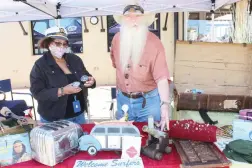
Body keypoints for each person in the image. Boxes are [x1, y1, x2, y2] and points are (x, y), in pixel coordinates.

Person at [110, 4, 171, 131]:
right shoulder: (116, 39)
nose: (133, 20)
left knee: (151, 139)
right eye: (128, 16)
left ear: (143, 19)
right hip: (123, 101)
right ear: (122, 19)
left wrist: (165, 105)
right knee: (124, 139)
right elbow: (117, 66)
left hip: (148, 102)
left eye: (137, 16)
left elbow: (162, 78)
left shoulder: (154, 43)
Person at [30, 26, 96, 124]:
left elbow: (86, 76)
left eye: (64, 44)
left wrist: (91, 81)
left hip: (79, 115)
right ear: (48, 43)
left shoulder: (75, 59)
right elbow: (37, 93)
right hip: (54, 118)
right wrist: (62, 91)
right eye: (58, 43)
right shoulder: (40, 65)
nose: (62, 47)